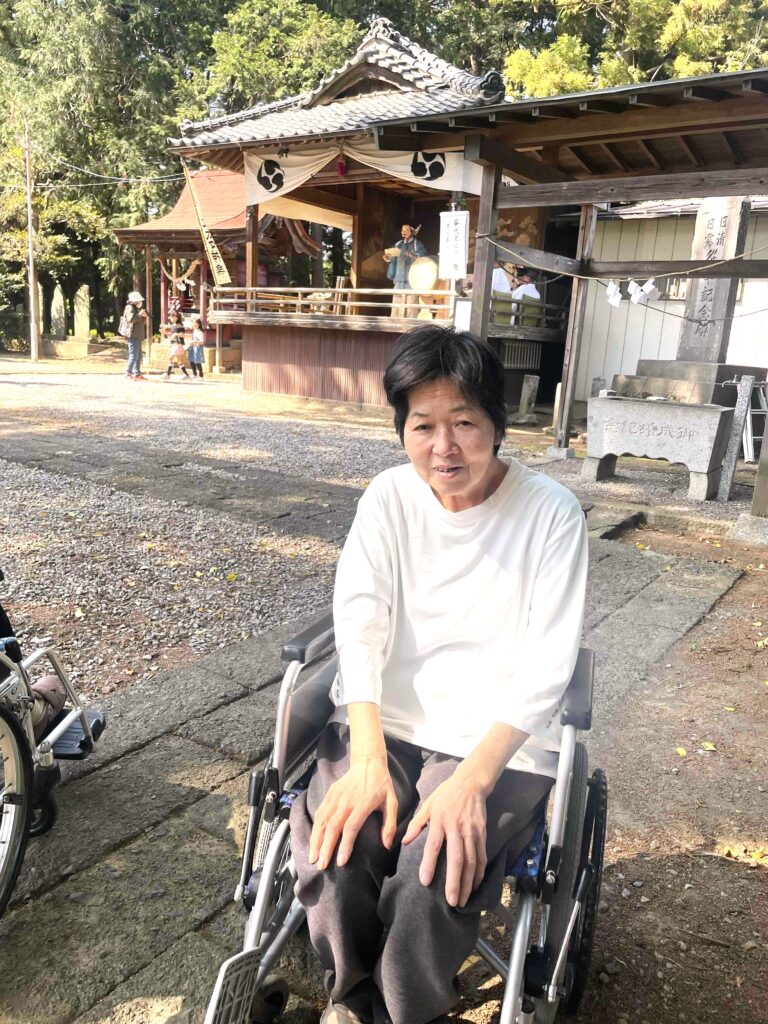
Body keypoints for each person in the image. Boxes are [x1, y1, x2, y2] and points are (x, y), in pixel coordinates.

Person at [290, 324, 588, 1024]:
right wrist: (367, 758)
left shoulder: (551, 514)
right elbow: (360, 623)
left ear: (498, 425)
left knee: (432, 871)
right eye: (423, 425)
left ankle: (404, 1013)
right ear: (402, 429)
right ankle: (349, 1001)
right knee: (338, 850)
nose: (443, 447)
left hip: (497, 741)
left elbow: (548, 662)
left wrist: (472, 782)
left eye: (464, 423)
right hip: (384, 722)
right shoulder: (388, 498)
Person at [383, 224, 426, 318]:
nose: (403, 232)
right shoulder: (398, 245)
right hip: (398, 282)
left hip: (412, 283)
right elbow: (393, 259)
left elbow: (423, 259)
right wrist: (388, 258)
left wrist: (412, 255)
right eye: (402, 230)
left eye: (406, 230)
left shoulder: (417, 244)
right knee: (396, 311)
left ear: (412, 232)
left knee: (411, 311)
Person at [122, 290, 148, 381]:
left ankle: (137, 373)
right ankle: (128, 373)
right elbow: (131, 319)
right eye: (138, 301)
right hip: (133, 336)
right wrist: (140, 314)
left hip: (138, 335)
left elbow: (140, 322)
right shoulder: (129, 307)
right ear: (134, 301)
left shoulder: (136, 309)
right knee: (133, 355)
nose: (140, 302)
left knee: (139, 356)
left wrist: (144, 317)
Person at [164, 310, 189, 379]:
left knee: (170, 358)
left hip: (178, 344)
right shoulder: (172, 326)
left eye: (174, 316)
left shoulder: (180, 326)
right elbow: (171, 337)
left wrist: (176, 334)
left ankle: (168, 375)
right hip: (174, 344)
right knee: (179, 361)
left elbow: (183, 335)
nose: (172, 318)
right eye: (172, 316)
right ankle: (186, 375)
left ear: (177, 318)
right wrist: (165, 333)